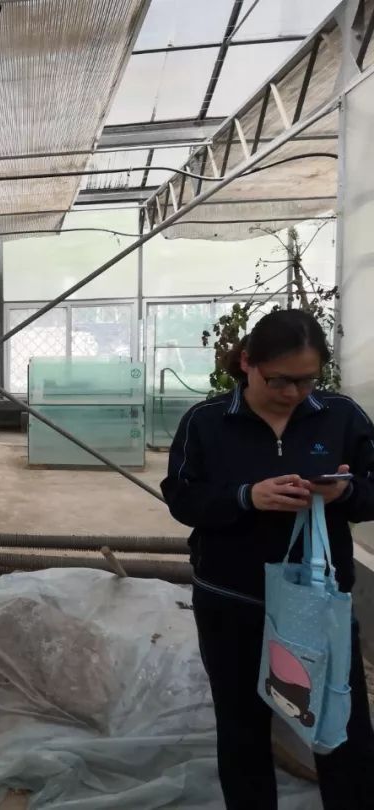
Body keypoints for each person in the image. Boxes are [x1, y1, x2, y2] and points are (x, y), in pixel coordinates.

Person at [162, 309, 374, 809]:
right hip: (232, 598)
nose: (294, 392)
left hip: (319, 600)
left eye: (307, 380)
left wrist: (343, 492)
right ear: (247, 363)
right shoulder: (207, 422)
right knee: (242, 726)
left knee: (339, 722)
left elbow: (371, 491)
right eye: (280, 380)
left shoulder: (341, 416)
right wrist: (246, 497)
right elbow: (182, 498)